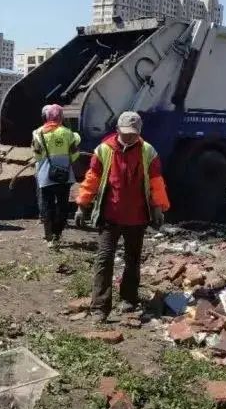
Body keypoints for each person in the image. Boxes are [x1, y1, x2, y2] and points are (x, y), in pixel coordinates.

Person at [75, 111, 170, 322]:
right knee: (104, 259)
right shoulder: (104, 150)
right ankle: (100, 307)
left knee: (133, 260)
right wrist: (82, 205)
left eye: (133, 134)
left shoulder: (148, 152)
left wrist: (158, 208)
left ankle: (129, 298)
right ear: (117, 130)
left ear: (139, 132)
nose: (129, 137)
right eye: (125, 133)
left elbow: (156, 182)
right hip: (110, 216)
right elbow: (92, 179)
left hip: (137, 218)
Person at [31, 104, 80, 248]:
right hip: (64, 175)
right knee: (63, 205)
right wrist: (65, 161)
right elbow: (75, 154)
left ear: (47, 116)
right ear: (60, 117)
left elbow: (37, 154)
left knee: (47, 205)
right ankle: (58, 234)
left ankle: (49, 237)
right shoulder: (68, 133)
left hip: (46, 175)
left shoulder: (38, 133)